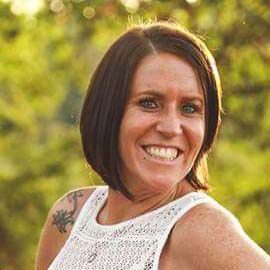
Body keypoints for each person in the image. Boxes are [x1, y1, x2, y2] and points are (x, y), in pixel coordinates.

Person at [36, 22, 270, 270]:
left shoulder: (200, 230)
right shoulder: (70, 215)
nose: (171, 128)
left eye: (189, 108)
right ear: (107, 111)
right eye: (149, 103)